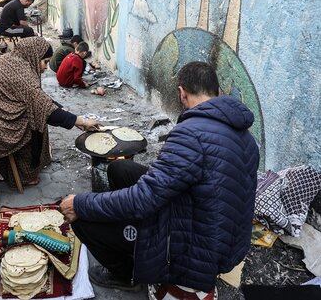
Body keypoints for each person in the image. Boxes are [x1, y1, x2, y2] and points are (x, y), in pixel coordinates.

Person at [59, 62, 260, 299]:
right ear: (218, 92)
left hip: (190, 249)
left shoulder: (191, 134)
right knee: (120, 169)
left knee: (82, 219)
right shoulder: (244, 134)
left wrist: (80, 204)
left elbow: (143, 199)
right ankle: (129, 237)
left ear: (182, 92)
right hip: (223, 237)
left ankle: (127, 275)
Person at [0, 37, 100, 188]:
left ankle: (15, 171)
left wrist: (72, 118)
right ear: (34, 56)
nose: (46, 67)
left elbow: (41, 100)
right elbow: (47, 111)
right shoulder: (24, 75)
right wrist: (82, 122)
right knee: (36, 124)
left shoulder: (14, 59)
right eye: (45, 61)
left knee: (37, 113)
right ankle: (25, 176)